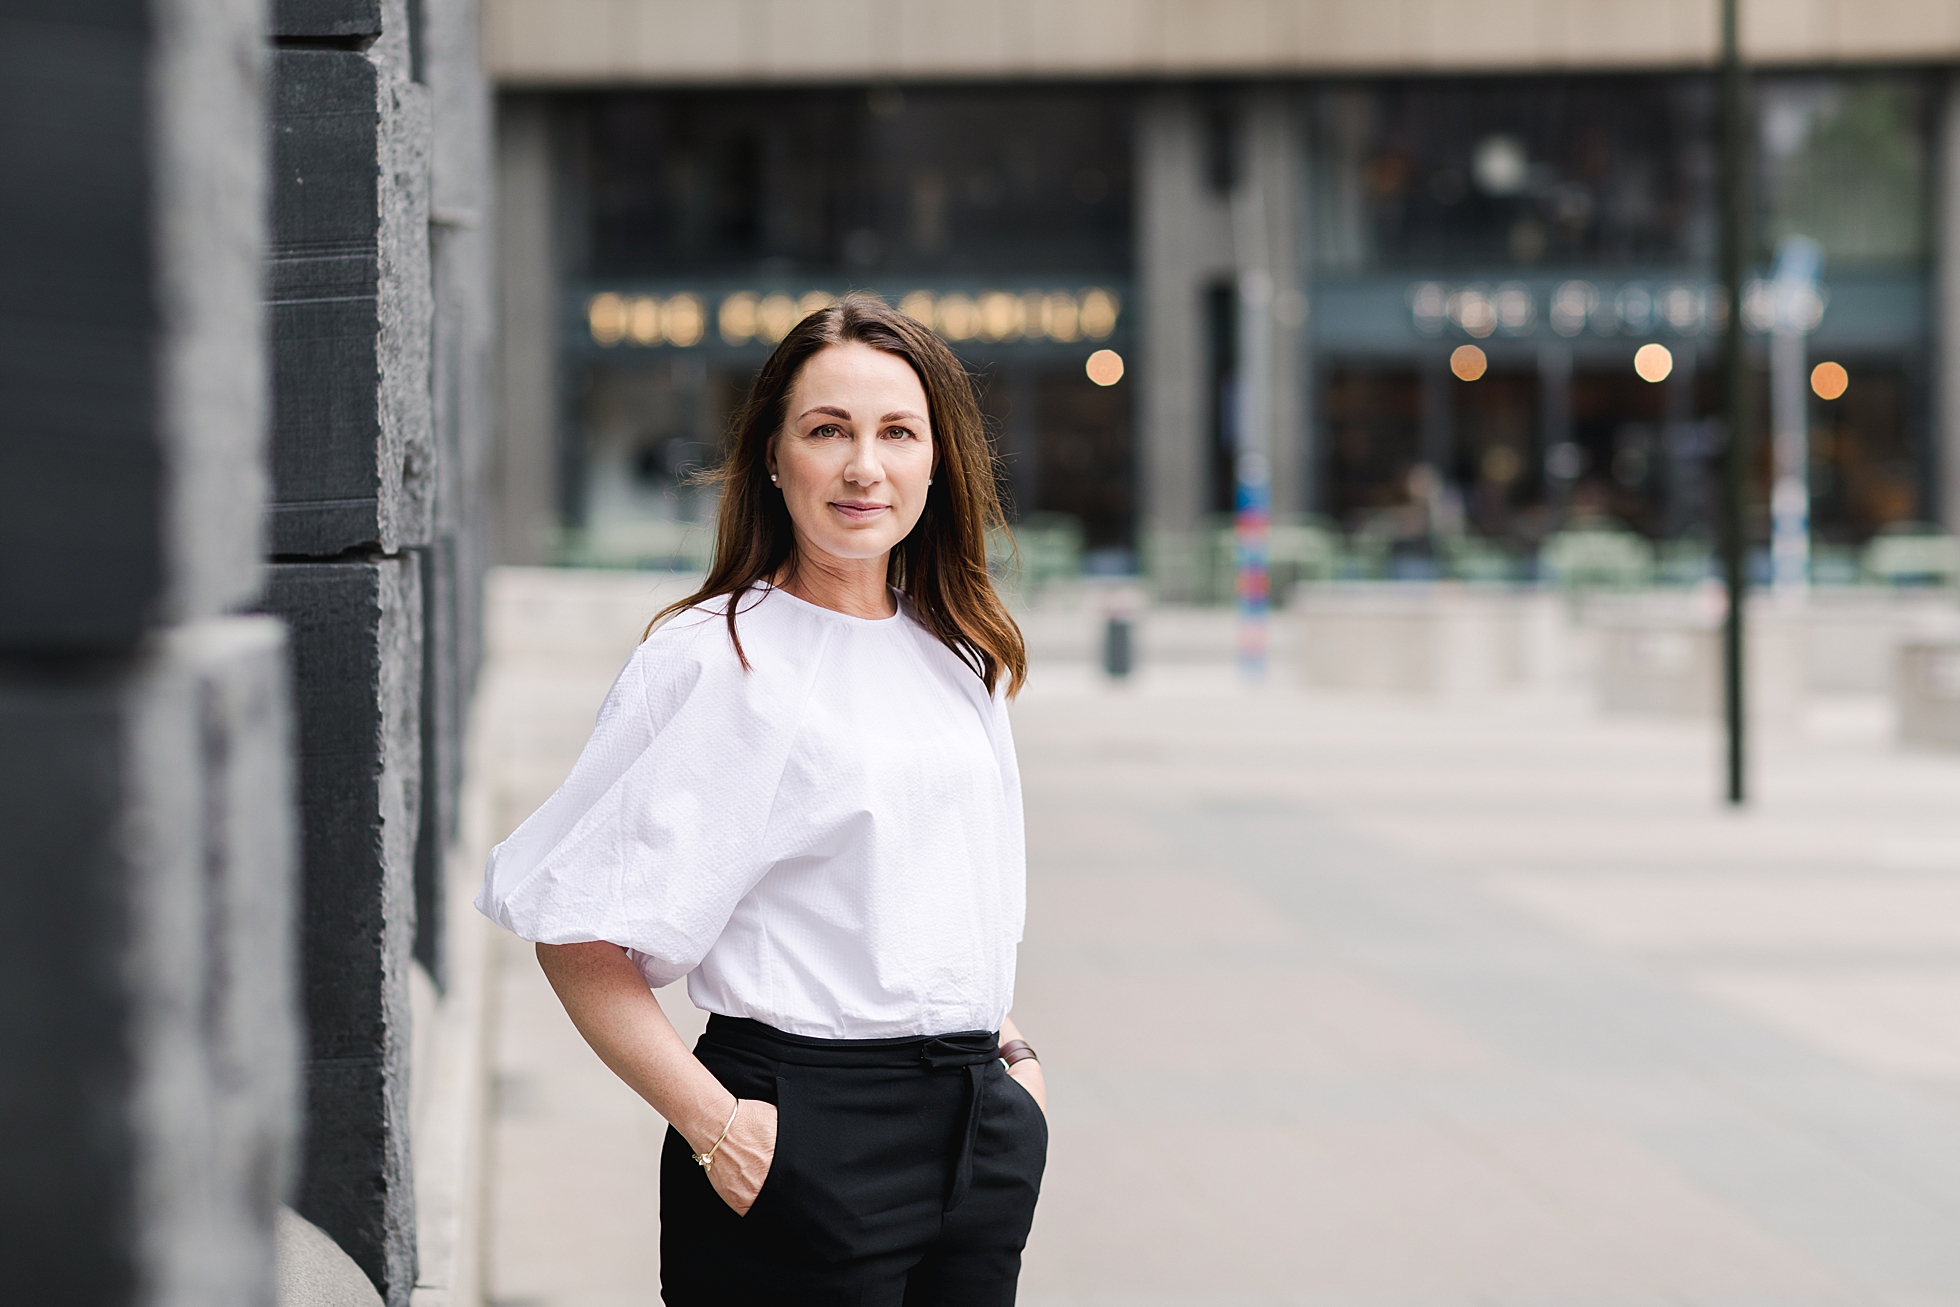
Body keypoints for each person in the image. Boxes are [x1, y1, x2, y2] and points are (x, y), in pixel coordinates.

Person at [477, 295, 1047, 1304]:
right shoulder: (715, 658)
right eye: (828, 430)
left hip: (977, 1131)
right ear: (775, 458)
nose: (863, 465)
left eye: (896, 432)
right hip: (798, 1132)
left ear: (937, 460)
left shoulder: (960, 651)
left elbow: (951, 886)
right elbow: (576, 933)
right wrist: (716, 1124)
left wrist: (1013, 1066)